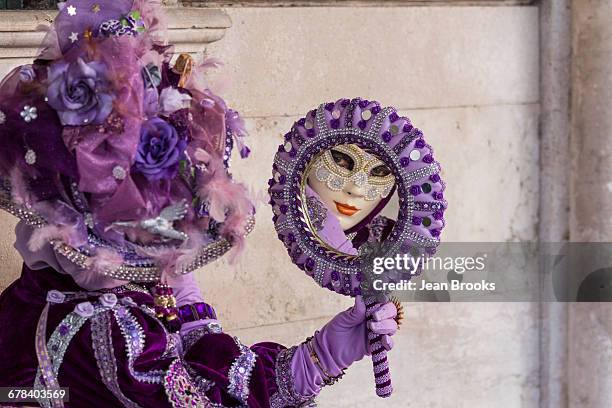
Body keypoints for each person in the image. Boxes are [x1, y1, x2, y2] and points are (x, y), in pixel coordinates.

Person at [0, 1, 398, 407]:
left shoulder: (50, 294)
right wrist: (318, 359)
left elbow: (198, 349)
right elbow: (199, 397)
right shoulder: (103, 327)